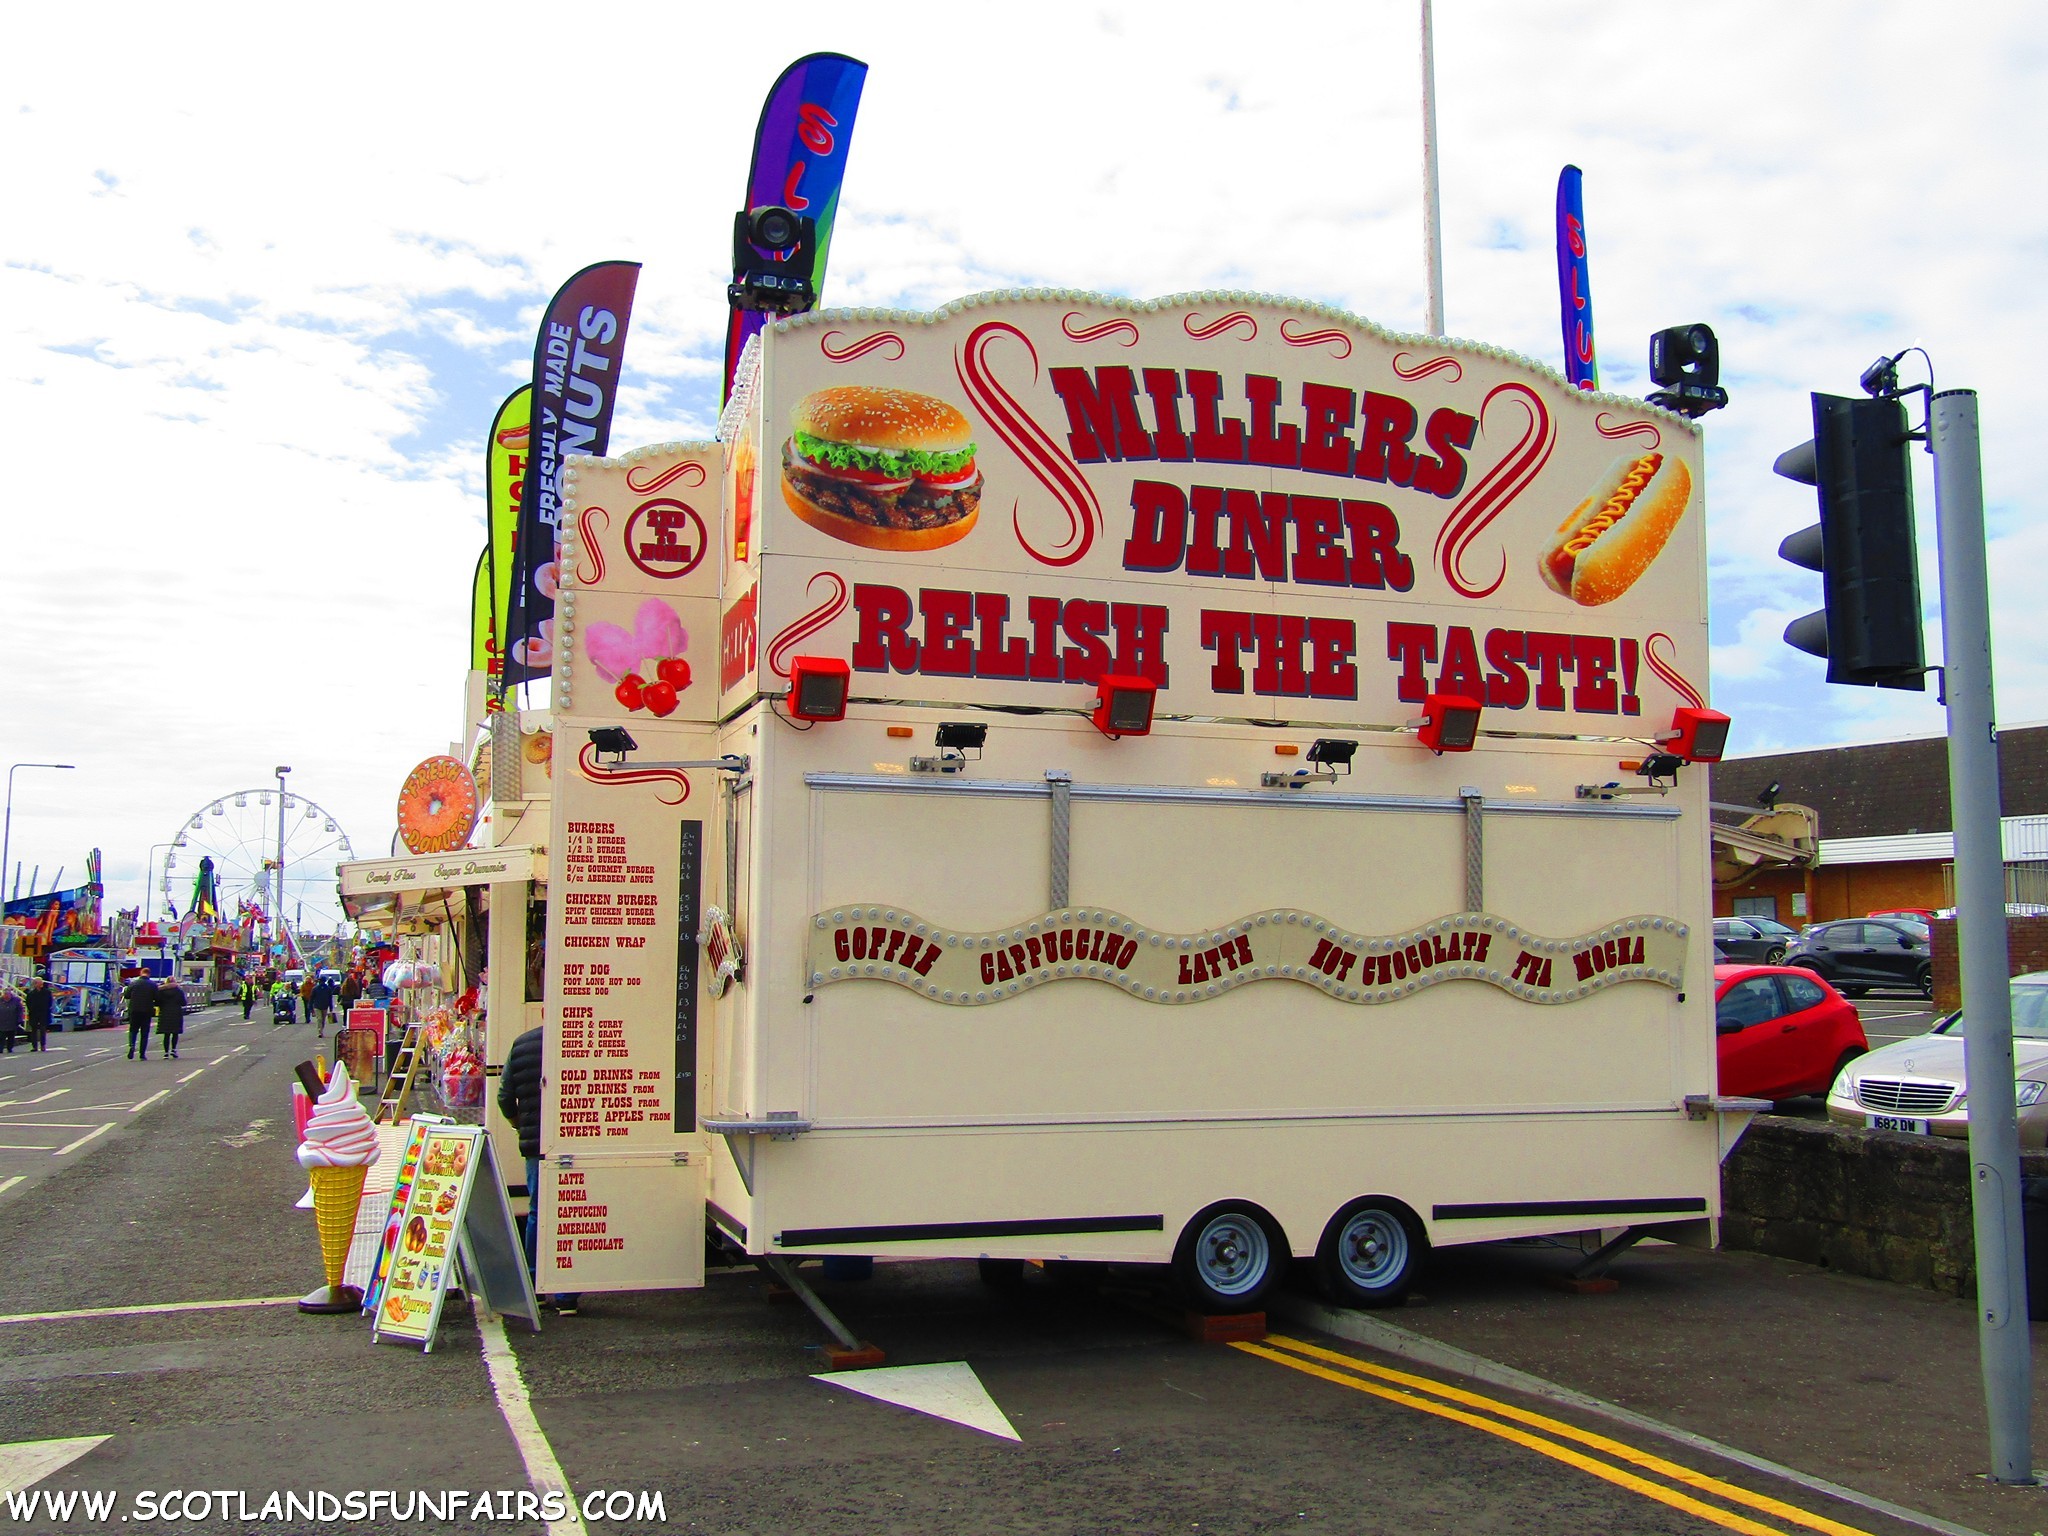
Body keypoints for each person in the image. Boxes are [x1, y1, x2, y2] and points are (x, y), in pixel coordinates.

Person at [496, 1023, 578, 1316]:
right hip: (575, 1141)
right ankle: (567, 1294)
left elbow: (504, 1096)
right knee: (572, 1212)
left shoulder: (521, 1043)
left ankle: (535, 1285)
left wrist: (519, 1123)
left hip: (536, 1144)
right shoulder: (577, 1036)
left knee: (537, 1211)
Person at [124, 972, 158, 1060]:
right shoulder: (152, 984)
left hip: (134, 1010)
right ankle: (142, 1054)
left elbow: (127, 996)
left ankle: (132, 1045)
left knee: (133, 1030)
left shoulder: (133, 983)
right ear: (148, 974)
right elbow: (157, 997)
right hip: (146, 1011)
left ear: (141, 974)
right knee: (144, 1033)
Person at [155, 976, 186, 1060]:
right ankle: (173, 1049)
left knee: (166, 1034)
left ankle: (166, 1052)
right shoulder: (179, 991)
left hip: (165, 1013)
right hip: (176, 1013)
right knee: (175, 1033)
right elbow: (183, 1003)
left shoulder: (161, 991)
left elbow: (157, 1002)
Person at [24, 977, 53, 1052]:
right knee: (34, 1030)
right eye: (39, 983)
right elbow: (28, 1003)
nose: (41, 984)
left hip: (44, 1013)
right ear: (35, 984)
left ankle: (43, 1045)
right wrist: (32, 1009)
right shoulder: (31, 994)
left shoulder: (47, 992)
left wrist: (46, 1009)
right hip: (34, 1014)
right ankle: (34, 1046)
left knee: (43, 1029)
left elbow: (50, 1002)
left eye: (41, 983)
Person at [0, 988, 22, 1054]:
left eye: (7, 994)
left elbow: (19, 1011)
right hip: (1, 1022)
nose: (6, 996)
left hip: (12, 1021)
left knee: (11, 1036)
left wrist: (19, 1020)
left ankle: (10, 1048)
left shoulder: (16, 1001)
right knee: (1, 1037)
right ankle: (0, 1049)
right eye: (5, 994)